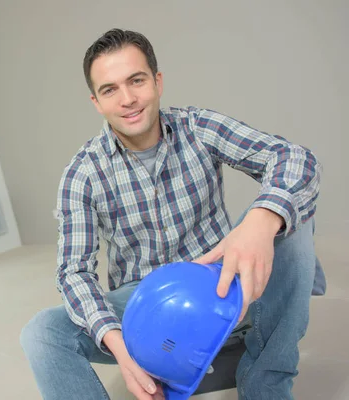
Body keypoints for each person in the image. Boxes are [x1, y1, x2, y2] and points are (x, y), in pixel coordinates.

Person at [20, 28, 323, 400]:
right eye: (110, 89)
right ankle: (160, 370)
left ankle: (265, 384)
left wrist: (262, 219)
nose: (128, 99)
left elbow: (294, 158)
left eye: (136, 81)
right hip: (148, 314)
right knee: (42, 332)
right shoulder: (82, 173)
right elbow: (73, 273)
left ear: (158, 82)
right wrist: (122, 350)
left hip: (220, 287)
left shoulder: (198, 127)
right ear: (96, 102)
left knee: (289, 215)